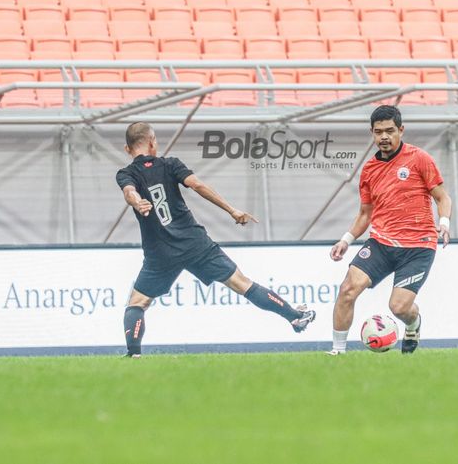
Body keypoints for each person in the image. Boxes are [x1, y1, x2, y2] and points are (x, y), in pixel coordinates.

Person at [116, 122, 315, 357]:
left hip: (160, 251)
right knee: (242, 283)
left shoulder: (126, 173)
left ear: (127, 149)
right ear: (152, 142)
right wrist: (231, 210)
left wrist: (137, 201)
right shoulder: (170, 165)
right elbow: (198, 185)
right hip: (194, 243)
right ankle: (294, 317)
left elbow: (130, 192)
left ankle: (134, 354)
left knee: (137, 303)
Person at [328, 105, 452, 355]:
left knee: (399, 308)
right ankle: (338, 352)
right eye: (378, 132)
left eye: (389, 131)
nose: (384, 136)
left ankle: (413, 323)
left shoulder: (419, 159)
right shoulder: (369, 170)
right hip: (381, 243)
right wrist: (346, 239)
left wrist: (445, 223)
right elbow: (365, 213)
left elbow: (442, 197)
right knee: (347, 290)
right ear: (372, 133)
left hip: (418, 246)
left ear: (401, 130)